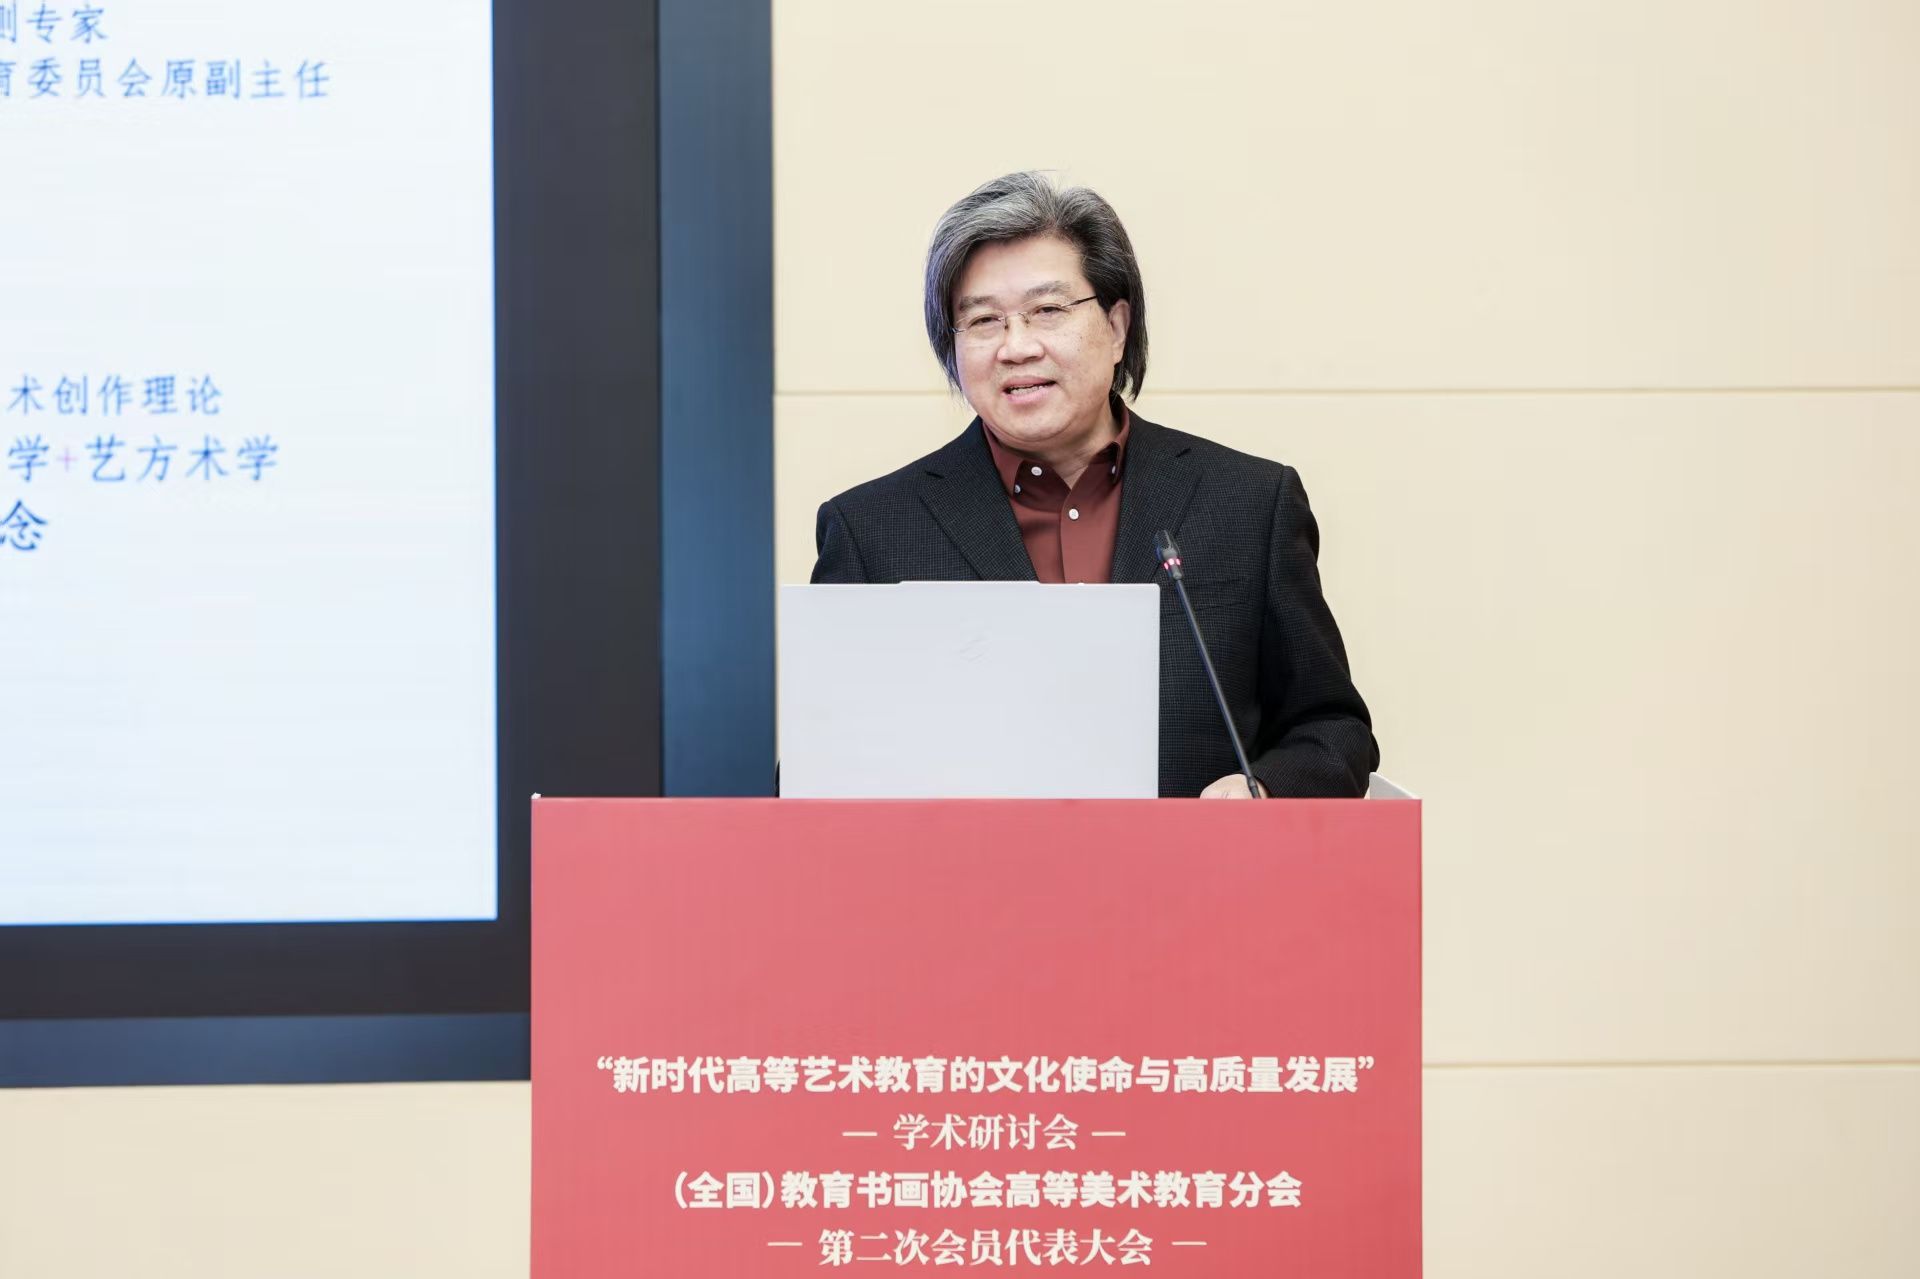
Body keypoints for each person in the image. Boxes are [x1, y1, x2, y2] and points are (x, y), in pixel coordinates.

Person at [810, 171, 1377, 798]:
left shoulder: (1247, 504)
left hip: (1192, 861)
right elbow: (821, 767)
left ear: (1116, 327)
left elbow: (1332, 729)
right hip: (965, 864)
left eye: (1048, 311)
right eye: (984, 320)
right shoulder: (871, 531)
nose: (1016, 346)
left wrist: (1263, 789)